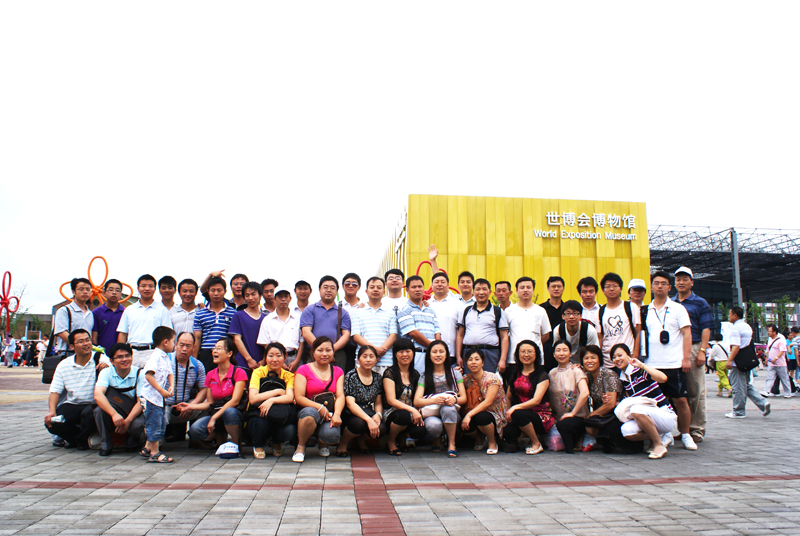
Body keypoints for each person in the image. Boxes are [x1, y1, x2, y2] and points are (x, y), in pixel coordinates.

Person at [641, 271, 695, 451]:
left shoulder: (678, 308)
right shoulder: (645, 310)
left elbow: (687, 333)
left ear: (669, 287)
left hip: (674, 363)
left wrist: (686, 358)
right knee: (655, 403)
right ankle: (664, 435)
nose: (660, 286)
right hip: (652, 364)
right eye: (656, 283)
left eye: (663, 283)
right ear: (651, 286)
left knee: (681, 400)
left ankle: (685, 434)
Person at [44, 329, 111, 448]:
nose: (86, 344)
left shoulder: (101, 360)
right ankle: (81, 440)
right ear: (72, 346)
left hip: (94, 405)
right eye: (81, 341)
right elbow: (55, 391)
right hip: (73, 404)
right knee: (53, 423)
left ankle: (80, 441)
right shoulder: (64, 365)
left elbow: (115, 379)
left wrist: (107, 370)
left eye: (87, 340)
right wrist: (51, 411)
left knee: (89, 414)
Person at [612, 343, 677, 460]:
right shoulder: (623, 379)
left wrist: (642, 365)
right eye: (614, 357)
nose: (617, 359)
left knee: (635, 409)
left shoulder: (639, 370)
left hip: (664, 414)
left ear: (628, 355)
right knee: (626, 431)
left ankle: (658, 445)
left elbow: (663, 378)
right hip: (646, 416)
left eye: (620, 355)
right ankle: (659, 437)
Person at [672, 267, 715, 444]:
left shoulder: (700, 302)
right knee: (677, 392)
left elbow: (706, 328)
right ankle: (683, 429)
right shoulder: (671, 302)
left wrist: (702, 351)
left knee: (695, 390)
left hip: (694, 348)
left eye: (685, 279)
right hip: (674, 350)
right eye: (678, 279)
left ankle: (697, 429)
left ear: (692, 282)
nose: (681, 282)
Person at [187, 337, 248, 447]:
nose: (214, 351)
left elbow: (235, 401)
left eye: (219, 348)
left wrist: (214, 418)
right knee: (195, 430)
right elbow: (210, 403)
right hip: (216, 413)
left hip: (234, 414)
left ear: (229, 353)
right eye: (214, 348)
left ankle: (236, 444)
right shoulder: (210, 374)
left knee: (229, 412)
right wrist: (189, 406)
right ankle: (219, 435)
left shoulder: (239, 372)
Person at [292, 337, 345, 463]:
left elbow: (340, 396)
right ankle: (300, 447)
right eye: (320, 350)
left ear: (333, 353)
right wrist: (320, 408)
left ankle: (323, 443)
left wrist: (337, 414)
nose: (324, 354)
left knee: (331, 435)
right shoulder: (303, 369)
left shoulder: (338, 371)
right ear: (313, 353)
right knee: (310, 414)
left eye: (328, 350)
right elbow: (299, 397)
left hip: (329, 413)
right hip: (308, 410)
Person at [413, 340, 467, 457]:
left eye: (441, 352)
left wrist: (455, 400)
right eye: (434, 352)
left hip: (451, 412)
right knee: (433, 426)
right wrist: (434, 400)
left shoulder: (455, 373)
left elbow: (464, 398)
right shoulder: (425, 376)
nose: (438, 355)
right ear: (429, 355)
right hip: (432, 412)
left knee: (448, 409)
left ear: (446, 355)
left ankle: (451, 444)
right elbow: (417, 401)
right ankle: (437, 437)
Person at [92, 343, 145, 456]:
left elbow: (141, 401)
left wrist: (128, 421)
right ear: (112, 361)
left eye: (127, 356)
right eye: (119, 357)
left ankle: (133, 439)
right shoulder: (106, 372)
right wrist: (114, 414)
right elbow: (98, 395)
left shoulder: (139, 373)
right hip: (115, 409)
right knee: (98, 411)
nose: (125, 359)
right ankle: (106, 445)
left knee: (137, 425)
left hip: (133, 412)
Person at [502, 340, 553, 455]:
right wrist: (507, 413)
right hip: (520, 414)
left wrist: (514, 408)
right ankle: (526, 436)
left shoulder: (542, 375)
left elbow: (536, 400)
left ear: (536, 354)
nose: (526, 355)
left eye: (530, 351)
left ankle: (536, 443)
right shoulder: (516, 374)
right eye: (523, 351)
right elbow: (508, 397)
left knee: (518, 414)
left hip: (541, 416)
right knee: (507, 431)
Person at [248, 342, 297, 459]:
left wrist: (271, 401)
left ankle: (276, 441)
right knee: (261, 420)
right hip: (259, 413)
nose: (274, 359)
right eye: (270, 356)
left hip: (278, 412)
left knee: (289, 429)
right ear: (265, 357)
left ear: (285, 357)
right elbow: (253, 398)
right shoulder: (258, 372)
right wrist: (278, 391)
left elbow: (289, 397)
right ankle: (258, 445)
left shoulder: (289, 376)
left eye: (278, 356)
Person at [337, 345, 385, 457]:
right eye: (364, 356)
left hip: (368, 410)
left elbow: (378, 402)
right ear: (358, 360)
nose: (368, 360)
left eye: (371, 356)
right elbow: (350, 403)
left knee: (382, 428)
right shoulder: (351, 376)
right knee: (359, 424)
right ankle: (343, 443)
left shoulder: (378, 377)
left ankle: (362, 440)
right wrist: (369, 420)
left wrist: (378, 415)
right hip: (351, 412)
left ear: (376, 360)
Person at [117, 274, 173, 368]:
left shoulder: (162, 310)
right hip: (132, 353)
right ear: (138, 288)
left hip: (153, 352)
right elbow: (122, 334)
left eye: (150, 286)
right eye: (143, 286)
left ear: (155, 289)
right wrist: (121, 354)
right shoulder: (129, 310)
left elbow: (168, 335)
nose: (147, 289)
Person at [382, 338, 426, 456]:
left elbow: (417, 397)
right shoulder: (390, 373)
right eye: (401, 352)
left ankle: (402, 437)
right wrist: (412, 410)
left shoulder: (415, 374)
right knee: (403, 415)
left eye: (408, 351)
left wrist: (417, 410)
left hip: (410, 412)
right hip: (392, 412)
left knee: (421, 429)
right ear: (395, 354)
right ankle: (391, 441)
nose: (405, 355)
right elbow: (391, 400)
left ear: (413, 353)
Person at [725, 307, 770, 419]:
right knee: (746, 385)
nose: (728, 316)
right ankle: (763, 403)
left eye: (730, 314)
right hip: (746, 361)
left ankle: (739, 411)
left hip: (737, 362)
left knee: (738, 387)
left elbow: (736, 346)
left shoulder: (735, 328)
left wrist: (729, 360)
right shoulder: (747, 326)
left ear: (735, 315)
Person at [455, 278, 509, 373]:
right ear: (473, 292)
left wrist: (503, 360)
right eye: (478, 289)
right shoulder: (466, 311)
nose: (481, 292)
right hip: (468, 353)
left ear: (490, 292)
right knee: (470, 381)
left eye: (484, 289)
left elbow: (504, 337)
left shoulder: (497, 311)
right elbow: (460, 335)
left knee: (490, 380)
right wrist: (458, 356)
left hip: (490, 354)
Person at [461, 348, 509, 455]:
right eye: (470, 360)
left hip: (495, 414)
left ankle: (492, 442)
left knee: (481, 417)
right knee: (461, 418)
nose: (473, 362)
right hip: (475, 411)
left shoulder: (492, 378)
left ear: (482, 363)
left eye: (477, 359)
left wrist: (469, 415)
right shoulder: (465, 379)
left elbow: (488, 402)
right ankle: (479, 439)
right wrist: (456, 374)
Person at [504, 277, 551, 381]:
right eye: (522, 287)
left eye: (528, 287)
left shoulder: (541, 311)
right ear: (516, 291)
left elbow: (546, 335)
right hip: (514, 360)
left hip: (536, 360)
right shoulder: (509, 311)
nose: (525, 290)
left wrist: (532, 347)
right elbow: (504, 335)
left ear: (533, 290)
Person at [300, 276, 351, 370]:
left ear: (337, 291)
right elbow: (306, 332)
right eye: (325, 287)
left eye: (332, 288)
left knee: (337, 378)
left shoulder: (343, 312)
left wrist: (331, 350)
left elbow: (346, 335)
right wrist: (320, 350)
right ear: (319, 290)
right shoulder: (310, 309)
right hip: (313, 354)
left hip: (336, 354)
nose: (328, 290)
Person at [140, 326, 176, 463]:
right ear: (165, 342)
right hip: (152, 398)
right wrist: (161, 390)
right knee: (154, 423)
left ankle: (147, 448)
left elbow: (170, 373)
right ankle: (154, 453)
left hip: (158, 398)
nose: (174, 344)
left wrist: (171, 386)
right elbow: (149, 375)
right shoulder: (155, 357)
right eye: (173, 341)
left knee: (160, 422)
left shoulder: (165, 357)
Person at [164, 332, 208, 443]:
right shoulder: (164, 361)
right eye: (181, 345)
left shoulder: (198, 365)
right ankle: (155, 444)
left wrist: (191, 405)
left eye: (188, 346)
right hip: (165, 406)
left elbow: (204, 389)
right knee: (154, 410)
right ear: (175, 345)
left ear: (193, 347)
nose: (184, 349)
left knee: (208, 405)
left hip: (186, 406)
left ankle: (198, 439)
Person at [580, 345, 624, 453]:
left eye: (593, 357)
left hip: (616, 413)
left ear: (599, 359)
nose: (590, 361)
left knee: (590, 423)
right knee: (589, 426)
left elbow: (611, 404)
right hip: (602, 413)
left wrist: (592, 414)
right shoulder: (588, 376)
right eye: (586, 358)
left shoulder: (609, 375)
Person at [548, 341, 589, 453]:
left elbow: (585, 392)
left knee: (565, 425)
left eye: (565, 350)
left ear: (570, 353)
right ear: (554, 354)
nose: (561, 353)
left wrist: (572, 413)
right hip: (559, 418)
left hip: (578, 416)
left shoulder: (576, 371)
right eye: (558, 350)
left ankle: (572, 447)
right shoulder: (552, 374)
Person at [351, 276, 398, 375]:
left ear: (384, 291)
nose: (375, 290)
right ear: (366, 291)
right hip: (363, 361)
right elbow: (356, 336)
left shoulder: (390, 312)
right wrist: (374, 350)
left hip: (386, 361)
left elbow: (393, 336)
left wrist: (380, 351)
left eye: (379, 287)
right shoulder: (357, 312)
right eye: (372, 287)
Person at [398, 276, 441, 374]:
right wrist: (434, 348)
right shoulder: (404, 309)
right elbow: (413, 333)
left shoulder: (430, 310)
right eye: (414, 287)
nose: (417, 289)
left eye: (420, 286)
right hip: (417, 355)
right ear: (407, 290)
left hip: (433, 355)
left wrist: (437, 350)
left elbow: (437, 332)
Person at [192, 276, 236, 373]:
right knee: (206, 381)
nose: (216, 293)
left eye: (219, 290)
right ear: (208, 291)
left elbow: (234, 337)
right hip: (206, 353)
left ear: (225, 291)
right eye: (213, 290)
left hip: (225, 353)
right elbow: (197, 339)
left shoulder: (233, 313)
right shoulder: (200, 314)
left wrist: (233, 355)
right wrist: (194, 361)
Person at [598, 272, 641, 368]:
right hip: (608, 362)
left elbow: (638, 331)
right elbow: (600, 337)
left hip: (628, 360)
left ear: (621, 288)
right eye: (608, 286)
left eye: (615, 286)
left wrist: (635, 355)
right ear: (603, 290)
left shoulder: (631, 307)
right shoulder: (600, 311)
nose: (611, 289)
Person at [257, 286, 304, 372]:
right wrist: (280, 362)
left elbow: (302, 341)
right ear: (274, 299)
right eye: (280, 297)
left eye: (286, 296)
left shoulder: (298, 318)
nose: (283, 299)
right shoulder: (267, 320)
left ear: (290, 299)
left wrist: (296, 361)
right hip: (274, 360)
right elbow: (266, 344)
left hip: (294, 358)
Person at [228, 281, 266, 372]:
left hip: (262, 366)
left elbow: (268, 342)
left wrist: (264, 360)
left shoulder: (266, 318)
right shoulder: (238, 315)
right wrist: (249, 359)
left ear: (260, 295)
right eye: (247, 295)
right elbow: (237, 339)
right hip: (243, 364)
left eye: (253, 294)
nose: (250, 298)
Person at [54, 278, 94, 355]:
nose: (85, 292)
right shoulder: (64, 310)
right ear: (73, 292)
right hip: (68, 353)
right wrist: (79, 345)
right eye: (81, 289)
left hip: (86, 353)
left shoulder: (90, 313)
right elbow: (61, 332)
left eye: (88, 289)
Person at [428, 271, 463, 357]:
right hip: (430, 352)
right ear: (432, 286)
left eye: (442, 282)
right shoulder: (426, 305)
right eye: (436, 282)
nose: (439, 284)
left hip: (451, 353)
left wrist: (459, 355)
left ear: (448, 286)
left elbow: (461, 331)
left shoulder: (457, 304)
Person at [92, 279, 125, 352]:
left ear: (121, 294)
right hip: (102, 352)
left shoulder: (125, 312)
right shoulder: (96, 313)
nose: (114, 292)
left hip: (120, 353)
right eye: (110, 290)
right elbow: (94, 336)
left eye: (117, 290)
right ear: (104, 293)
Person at [341, 272, 365, 372]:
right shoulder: (338, 305)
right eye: (347, 283)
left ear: (359, 287)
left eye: (354, 284)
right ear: (343, 286)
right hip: (341, 346)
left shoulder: (365, 306)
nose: (350, 286)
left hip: (359, 345)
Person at [540, 276, 565, 372]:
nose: (556, 289)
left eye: (559, 286)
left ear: (563, 288)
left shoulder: (567, 308)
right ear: (548, 288)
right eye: (553, 286)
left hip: (564, 348)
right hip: (546, 349)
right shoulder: (541, 309)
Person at [761, 324, 792, 398]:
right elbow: (768, 350)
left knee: (784, 379)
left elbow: (782, 351)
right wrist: (767, 358)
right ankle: (766, 391)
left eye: (769, 331)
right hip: (771, 363)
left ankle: (788, 393)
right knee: (770, 378)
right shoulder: (770, 340)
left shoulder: (781, 340)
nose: (768, 332)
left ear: (774, 332)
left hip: (780, 364)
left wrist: (776, 358)